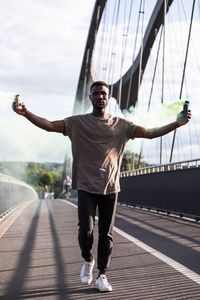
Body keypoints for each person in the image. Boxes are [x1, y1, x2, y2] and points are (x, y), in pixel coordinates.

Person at [12, 81, 191, 292]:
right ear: (90, 97)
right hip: (86, 186)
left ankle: (102, 275)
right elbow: (50, 125)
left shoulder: (122, 125)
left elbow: (151, 133)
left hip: (111, 187)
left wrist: (176, 124)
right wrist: (26, 113)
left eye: (103, 93)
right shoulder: (76, 123)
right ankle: (88, 259)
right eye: (96, 93)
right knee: (85, 232)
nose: (100, 97)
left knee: (106, 234)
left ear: (108, 97)